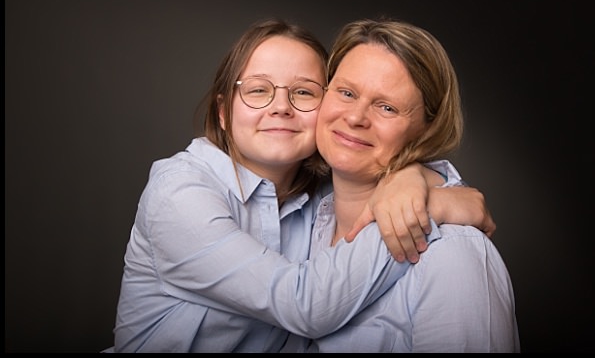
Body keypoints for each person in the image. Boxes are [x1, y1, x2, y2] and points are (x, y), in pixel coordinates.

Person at [109, 18, 493, 352]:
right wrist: (429, 205)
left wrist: (418, 178)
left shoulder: (319, 203)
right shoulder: (180, 194)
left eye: (304, 92)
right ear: (224, 113)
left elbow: (381, 159)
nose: (281, 107)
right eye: (257, 89)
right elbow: (303, 305)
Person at [299, 18, 519, 352]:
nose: (356, 117)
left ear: (427, 130)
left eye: (387, 107)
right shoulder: (302, 218)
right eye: (346, 92)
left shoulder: (453, 255)